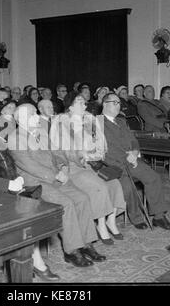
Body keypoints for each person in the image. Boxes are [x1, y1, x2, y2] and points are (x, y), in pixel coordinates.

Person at [0, 105, 59, 281]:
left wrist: (17, 181)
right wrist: (9, 184)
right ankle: (32, 261)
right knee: (27, 214)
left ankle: (30, 260)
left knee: (33, 208)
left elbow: (9, 166)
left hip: (4, 191)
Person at [8, 104, 106, 267]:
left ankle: (87, 244)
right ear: (22, 119)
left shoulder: (41, 132)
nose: (37, 116)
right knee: (66, 204)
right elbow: (29, 165)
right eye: (33, 114)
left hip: (56, 177)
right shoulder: (15, 138)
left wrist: (63, 166)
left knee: (82, 198)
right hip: (36, 184)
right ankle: (71, 251)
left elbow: (58, 152)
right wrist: (56, 175)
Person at [50, 95, 126, 244]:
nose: (84, 106)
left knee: (115, 184)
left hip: (93, 164)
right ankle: (101, 224)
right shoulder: (60, 122)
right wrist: (80, 155)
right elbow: (58, 149)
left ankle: (111, 221)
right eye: (80, 103)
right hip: (73, 167)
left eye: (84, 103)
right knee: (100, 187)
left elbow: (101, 143)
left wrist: (95, 154)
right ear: (70, 106)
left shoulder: (90, 119)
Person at [101, 93, 170, 230]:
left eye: (119, 103)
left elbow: (133, 140)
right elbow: (105, 152)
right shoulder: (97, 123)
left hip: (132, 159)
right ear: (105, 104)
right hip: (115, 165)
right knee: (129, 187)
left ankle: (159, 217)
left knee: (153, 177)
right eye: (115, 103)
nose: (119, 106)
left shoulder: (121, 121)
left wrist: (135, 153)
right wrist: (127, 160)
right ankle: (136, 218)